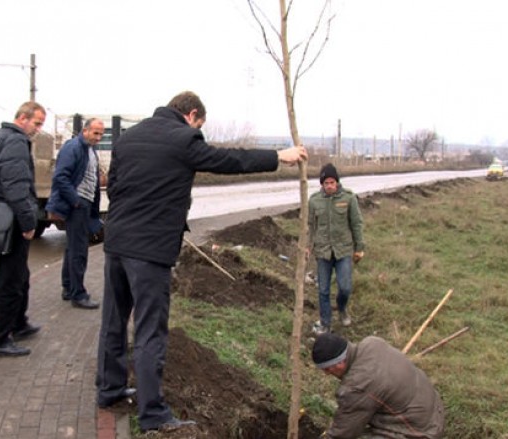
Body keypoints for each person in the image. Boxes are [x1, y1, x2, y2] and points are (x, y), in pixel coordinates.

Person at [96, 91, 308, 432]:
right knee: (150, 330)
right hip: (149, 251)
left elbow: (115, 188)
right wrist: (277, 156)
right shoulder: (184, 137)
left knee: (114, 320)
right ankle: (153, 414)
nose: (200, 131)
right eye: (200, 125)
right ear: (192, 115)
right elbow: (228, 161)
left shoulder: (128, 137)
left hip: (117, 243)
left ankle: (109, 390)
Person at [0, 101, 46, 357]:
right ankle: (0, 339)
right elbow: (16, 186)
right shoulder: (16, 142)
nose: (38, 129)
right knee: (11, 280)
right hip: (12, 220)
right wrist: (29, 222)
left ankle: (19, 323)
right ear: (23, 118)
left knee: (19, 275)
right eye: (37, 123)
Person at [312, 333, 445, 438]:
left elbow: (343, 433)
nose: (326, 374)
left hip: (421, 430)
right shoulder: (372, 343)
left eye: (327, 369)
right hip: (433, 409)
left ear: (339, 364)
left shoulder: (357, 386)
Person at [46, 118, 104, 310]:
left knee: (72, 247)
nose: (98, 137)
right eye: (95, 133)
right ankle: (78, 294)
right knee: (79, 250)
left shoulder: (89, 149)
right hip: (78, 205)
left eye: (101, 134)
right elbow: (60, 177)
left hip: (84, 203)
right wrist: (76, 201)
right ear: (85, 131)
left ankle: (68, 287)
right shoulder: (73, 147)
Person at [308, 163, 364, 333]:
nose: (330, 186)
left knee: (345, 287)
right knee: (323, 289)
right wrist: (307, 246)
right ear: (322, 184)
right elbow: (311, 225)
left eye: (332, 182)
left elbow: (356, 223)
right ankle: (325, 323)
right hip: (323, 251)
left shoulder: (348, 198)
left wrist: (359, 247)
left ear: (337, 182)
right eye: (326, 183)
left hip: (343, 251)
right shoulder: (315, 200)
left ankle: (342, 308)